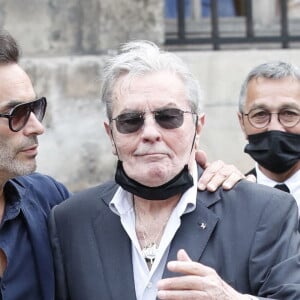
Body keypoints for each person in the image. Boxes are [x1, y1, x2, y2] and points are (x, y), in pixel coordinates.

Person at [49, 40, 300, 300]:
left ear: (198, 127)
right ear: (110, 134)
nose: (149, 133)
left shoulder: (265, 212)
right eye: (130, 121)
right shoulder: (71, 221)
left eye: (168, 117)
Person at [0, 30, 71, 299]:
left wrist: (185, 176)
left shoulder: (48, 198)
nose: (38, 127)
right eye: (17, 114)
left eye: (35, 108)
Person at [238, 61, 300, 215]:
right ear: (242, 123)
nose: (275, 127)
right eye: (260, 114)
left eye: (289, 113)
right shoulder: (226, 202)